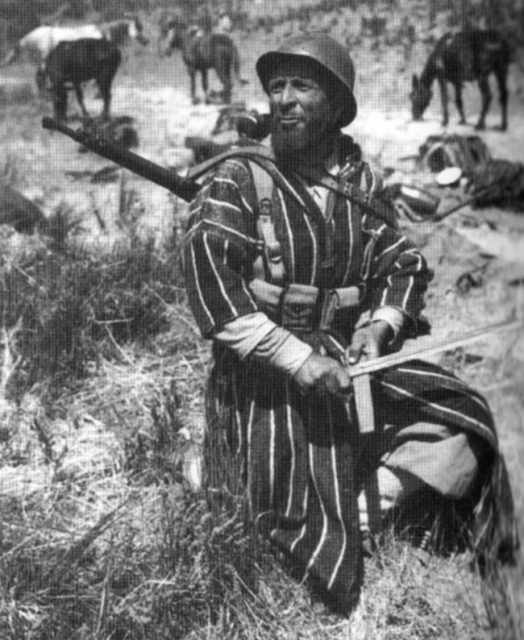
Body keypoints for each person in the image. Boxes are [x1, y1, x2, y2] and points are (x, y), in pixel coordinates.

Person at [182, 33, 517, 613]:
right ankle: (261, 489)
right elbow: (214, 290)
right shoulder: (240, 177)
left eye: (302, 86)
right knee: (276, 503)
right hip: (266, 375)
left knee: (464, 421)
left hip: (348, 364)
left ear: (337, 105)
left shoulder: (357, 181)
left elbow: (402, 264)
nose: (283, 99)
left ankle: (363, 511)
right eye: (276, 86)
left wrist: (377, 330)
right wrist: (301, 361)